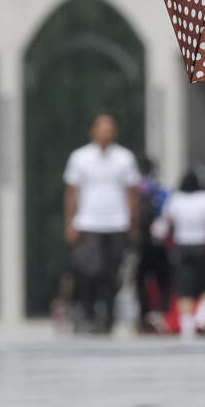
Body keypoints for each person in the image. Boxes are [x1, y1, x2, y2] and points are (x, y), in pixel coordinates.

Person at [61, 114, 140, 333]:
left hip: (117, 223)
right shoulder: (79, 157)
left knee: (112, 272)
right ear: (93, 130)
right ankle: (86, 311)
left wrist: (133, 223)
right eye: (102, 128)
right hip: (88, 222)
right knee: (89, 270)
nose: (106, 132)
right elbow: (71, 193)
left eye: (110, 128)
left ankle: (108, 315)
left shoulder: (125, 158)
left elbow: (131, 192)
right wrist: (70, 223)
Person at [153, 168, 205, 338]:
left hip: (182, 248)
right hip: (202, 247)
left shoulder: (175, 199)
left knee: (185, 289)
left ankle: (187, 328)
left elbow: (165, 224)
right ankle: (203, 318)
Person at [133, 156, 171, 333]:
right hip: (157, 241)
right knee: (162, 279)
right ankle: (159, 312)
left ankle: (145, 315)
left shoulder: (137, 190)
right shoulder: (160, 191)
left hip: (141, 242)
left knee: (141, 279)